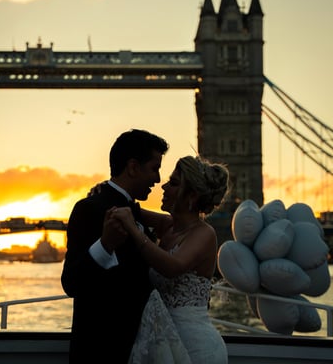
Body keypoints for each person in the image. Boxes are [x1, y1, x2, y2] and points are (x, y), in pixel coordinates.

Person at [60, 129, 169, 363]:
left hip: (140, 347)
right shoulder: (88, 209)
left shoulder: (135, 212)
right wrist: (105, 245)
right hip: (101, 351)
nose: (158, 179)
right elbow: (70, 283)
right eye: (154, 168)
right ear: (132, 167)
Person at [107, 155, 230, 363]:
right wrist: (105, 193)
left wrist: (133, 230)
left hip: (197, 348)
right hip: (161, 342)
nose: (163, 186)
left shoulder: (204, 233)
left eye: (173, 183)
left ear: (191, 196)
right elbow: (130, 209)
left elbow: (173, 266)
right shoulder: (167, 226)